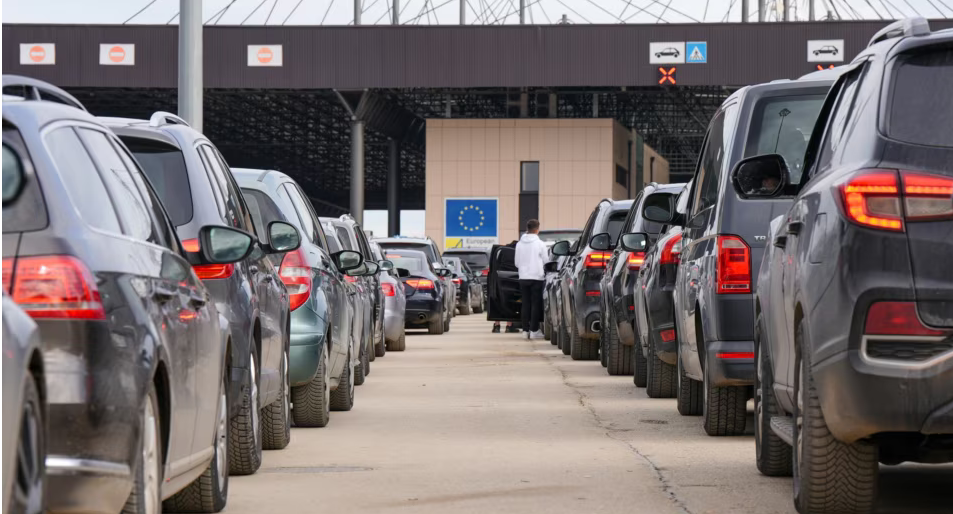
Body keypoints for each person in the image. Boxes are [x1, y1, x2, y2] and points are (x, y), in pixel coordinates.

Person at [515, 219, 549, 339]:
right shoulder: (540, 244)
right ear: (537, 229)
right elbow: (546, 261)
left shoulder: (519, 244)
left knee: (525, 303)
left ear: (527, 229)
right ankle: (534, 330)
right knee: (535, 303)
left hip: (523, 277)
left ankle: (525, 331)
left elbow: (516, 263)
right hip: (537, 277)